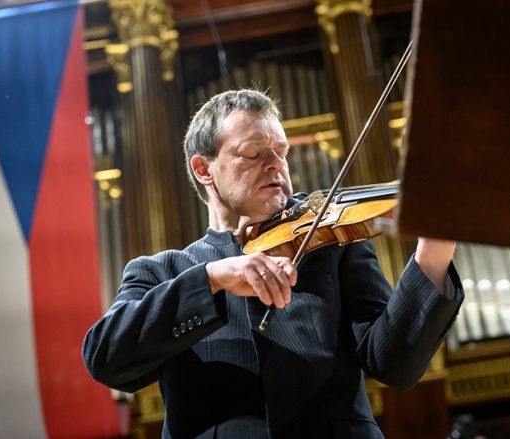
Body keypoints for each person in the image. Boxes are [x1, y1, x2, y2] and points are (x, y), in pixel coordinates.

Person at [83, 89, 464, 439]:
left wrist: (434, 249)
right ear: (204, 169)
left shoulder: (330, 245)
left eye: (281, 152)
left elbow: (393, 365)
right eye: (253, 153)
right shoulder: (160, 271)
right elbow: (105, 358)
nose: (276, 165)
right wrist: (211, 279)